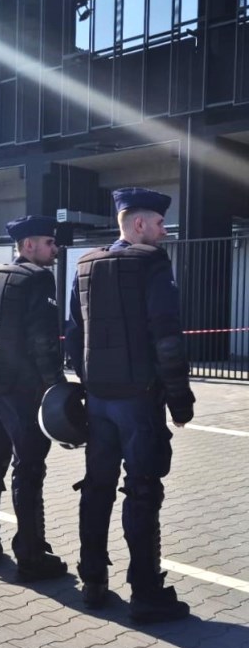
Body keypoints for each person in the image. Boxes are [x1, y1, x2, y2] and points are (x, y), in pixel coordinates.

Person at [65, 187, 195, 622]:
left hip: (99, 400)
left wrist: (90, 383)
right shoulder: (152, 263)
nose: (164, 231)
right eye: (159, 223)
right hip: (138, 401)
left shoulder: (86, 264)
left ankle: (93, 582)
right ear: (139, 224)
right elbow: (167, 338)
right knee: (142, 490)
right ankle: (146, 593)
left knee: (97, 486)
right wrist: (180, 400)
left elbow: (74, 336)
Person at [0, 216, 69, 581]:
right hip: (25, 394)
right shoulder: (39, 278)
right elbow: (43, 341)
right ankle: (31, 555)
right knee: (29, 469)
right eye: (49, 243)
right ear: (28, 245)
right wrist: (56, 388)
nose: (55, 249)